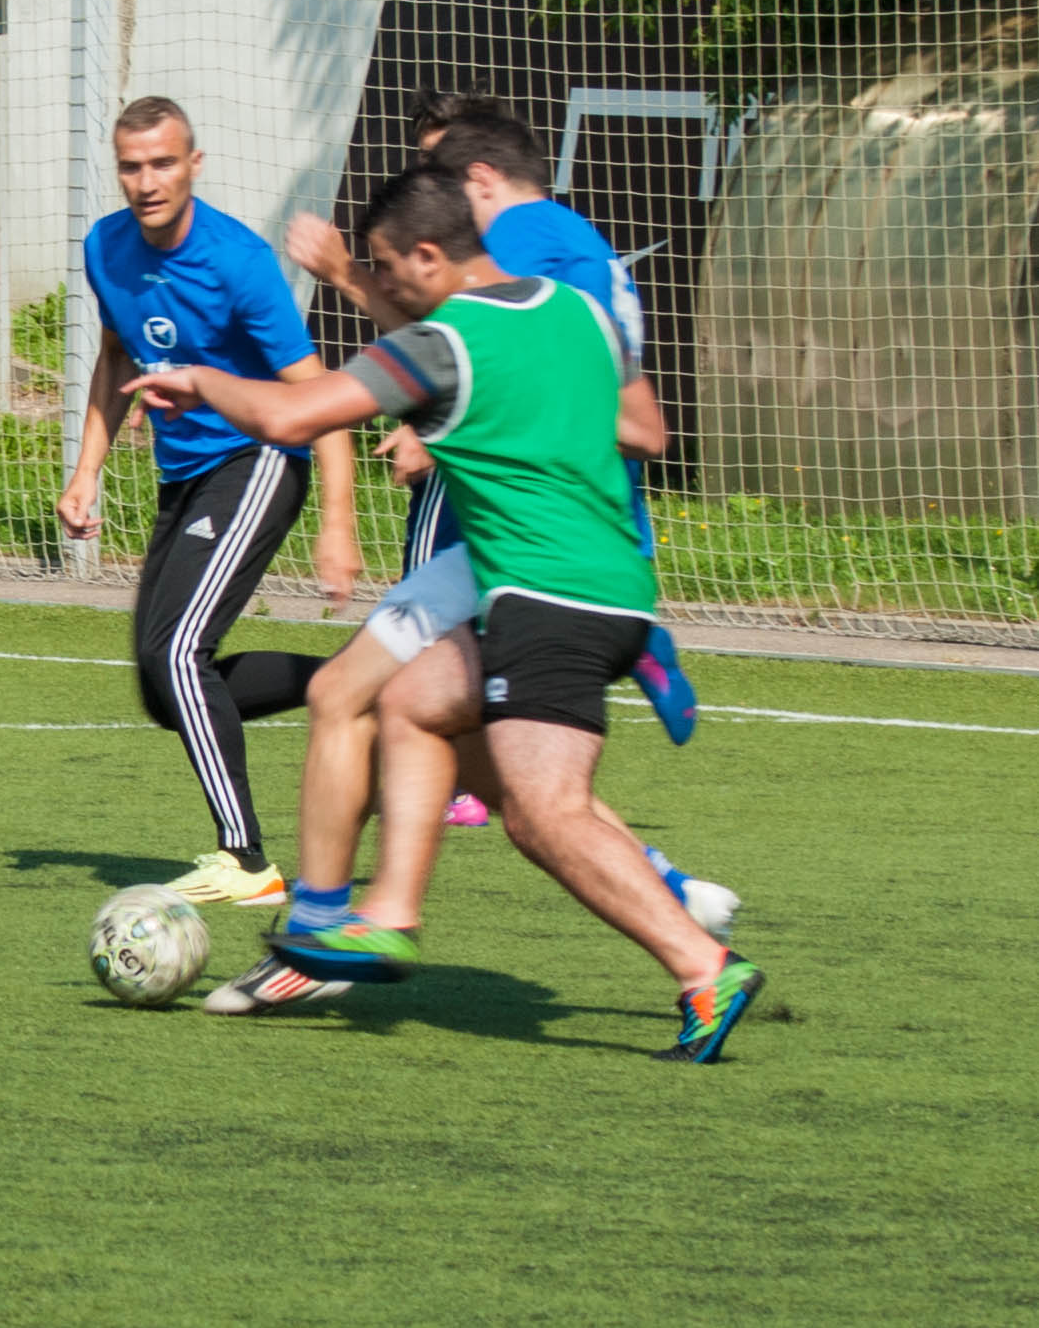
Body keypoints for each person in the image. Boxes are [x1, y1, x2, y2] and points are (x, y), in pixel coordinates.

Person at [127, 167, 764, 1063]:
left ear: (428, 255)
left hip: (549, 600)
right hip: (608, 575)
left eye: (386, 268)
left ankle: (704, 966)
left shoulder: (443, 343)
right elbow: (644, 430)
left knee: (544, 815)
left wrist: (201, 379)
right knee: (409, 702)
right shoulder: (579, 310)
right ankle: (383, 916)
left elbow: (296, 414)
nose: (380, 286)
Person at [56, 96, 361, 907]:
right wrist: (87, 472)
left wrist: (338, 523)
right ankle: (356, 682)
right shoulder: (105, 247)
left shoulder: (238, 262)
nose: (147, 181)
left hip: (259, 458)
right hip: (181, 476)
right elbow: (116, 357)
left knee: (179, 650)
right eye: (131, 166)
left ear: (194, 164)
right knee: (164, 689)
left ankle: (246, 859)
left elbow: (322, 396)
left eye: (163, 163)